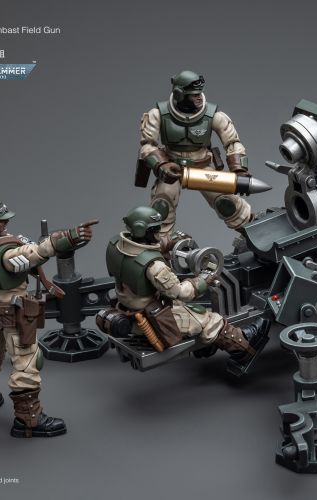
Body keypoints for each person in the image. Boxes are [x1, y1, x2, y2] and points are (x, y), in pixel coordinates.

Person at [0, 198, 97, 438]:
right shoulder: (5, 254)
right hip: (12, 315)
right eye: (0, 221)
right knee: (26, 362)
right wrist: (69, 237)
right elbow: (36, 253)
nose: (6, 224)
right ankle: (28, 420)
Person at [105, 206, 269, 369]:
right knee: (209, 320)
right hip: (150, 319)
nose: (158, 234)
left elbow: (141, 251)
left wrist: (170, 242)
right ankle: (244, 348)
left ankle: (207, 347)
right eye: (154, 230)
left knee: (190, 310)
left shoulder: (115, 246)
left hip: (127, 309)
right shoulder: (155, 266)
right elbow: (181, 293)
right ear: (142, 230)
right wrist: (203, 279)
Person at [138, 70, 253, 240]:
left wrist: (239, 169)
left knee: (227, 203)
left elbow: (233, 143)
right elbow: (147, 145)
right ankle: (162, 246)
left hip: (202, 167)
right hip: (172, 169)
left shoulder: (214, 115)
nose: (199, 97)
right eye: (194, 95)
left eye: (199, 93)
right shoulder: (158, 114)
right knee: (161, 207)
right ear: (179, 94)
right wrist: (161, 164)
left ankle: (253, 231)